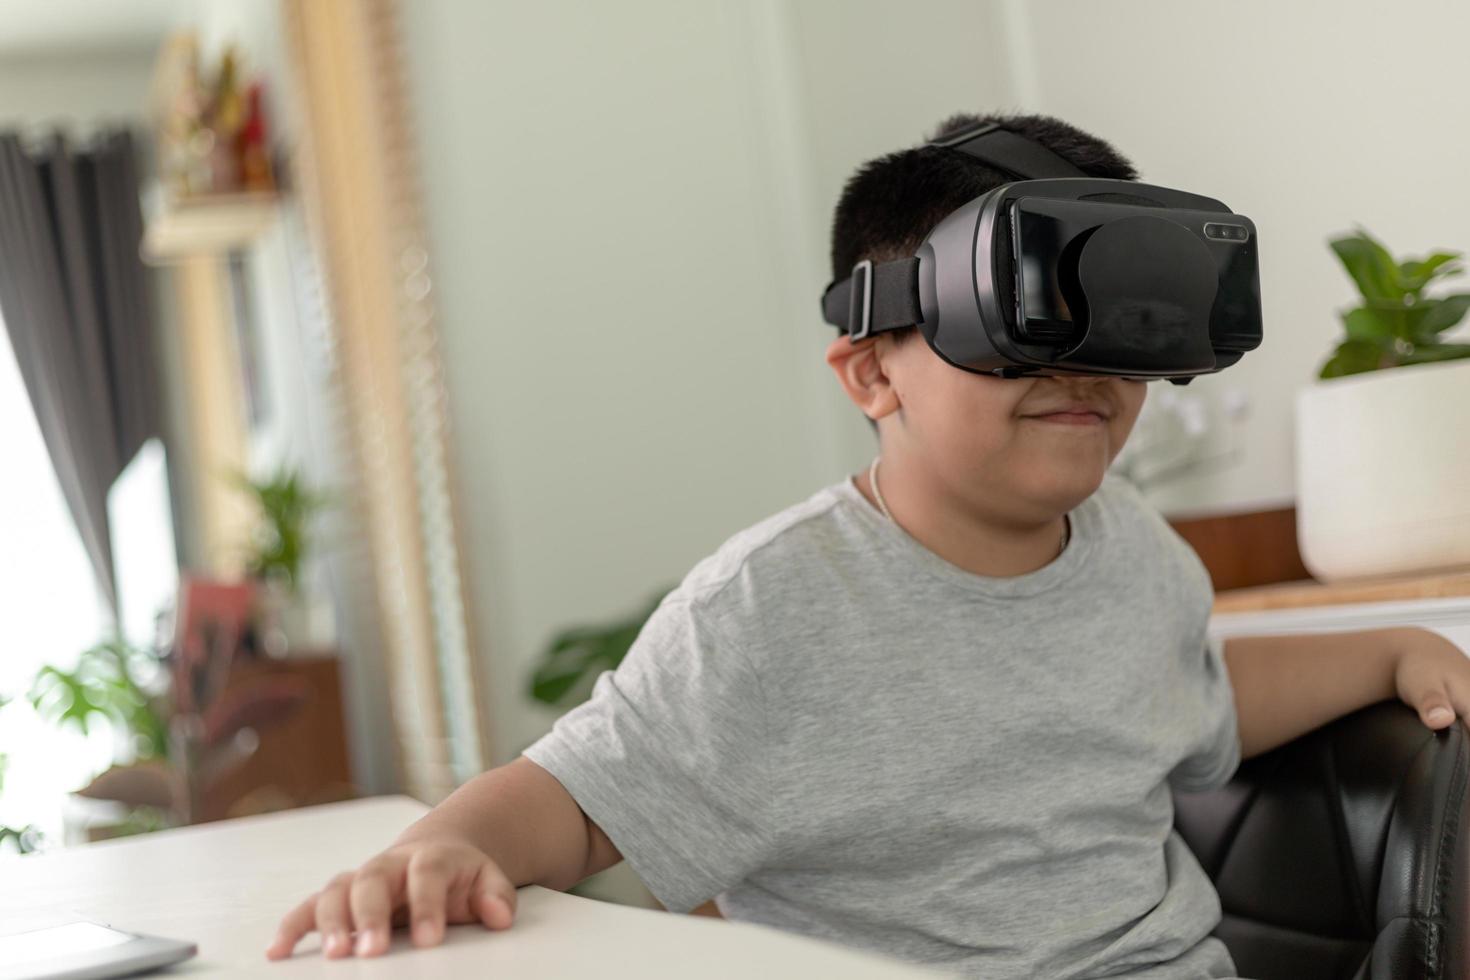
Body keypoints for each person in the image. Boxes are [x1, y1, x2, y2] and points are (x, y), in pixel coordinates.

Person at [266, 112, 1470, 979]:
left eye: (1114, 332)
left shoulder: (1140, 553)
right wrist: (434, 851)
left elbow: (1192, 691)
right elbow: (577, 802)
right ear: (868, 367)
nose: (1082, 372)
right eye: (1026, 320)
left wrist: (1388, 650)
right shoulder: (774, 606)